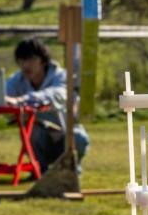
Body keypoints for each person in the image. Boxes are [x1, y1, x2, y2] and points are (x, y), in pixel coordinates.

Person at [5, 38, 90, 173]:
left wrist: (22, 100)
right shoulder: (15, 81)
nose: (26, 65)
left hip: (64, 134)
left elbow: (57, 94)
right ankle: (39, 170)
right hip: (38, 140)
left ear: (43, 60)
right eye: (21, 61)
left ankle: (71, 168)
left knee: (79, 137)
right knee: (32, 132)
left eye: (31, 59)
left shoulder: (62, 76)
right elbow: (6, 99)